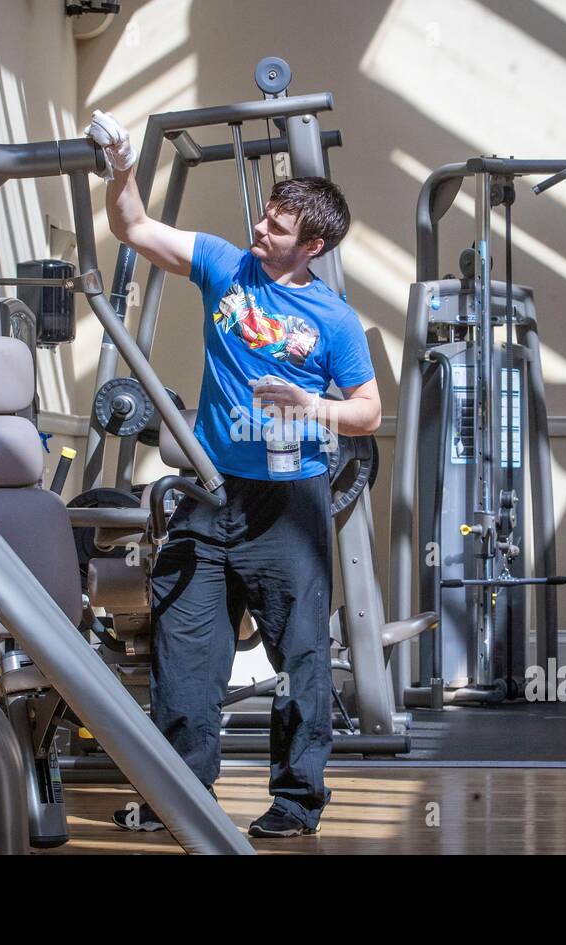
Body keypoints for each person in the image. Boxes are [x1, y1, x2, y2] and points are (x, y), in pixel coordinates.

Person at [88, 111, 381, 838]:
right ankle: (179, 797)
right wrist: (121, 166)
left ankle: (295, 801)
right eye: (266, 216)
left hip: (288, 506)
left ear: (312, 246)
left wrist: (311, 405)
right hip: (207, 492)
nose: (262, 231)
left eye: (279, 228)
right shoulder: (224, 264)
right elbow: (134, 228)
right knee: (185, 655)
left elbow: (369, 413)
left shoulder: (335, 320)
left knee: (303, 657)